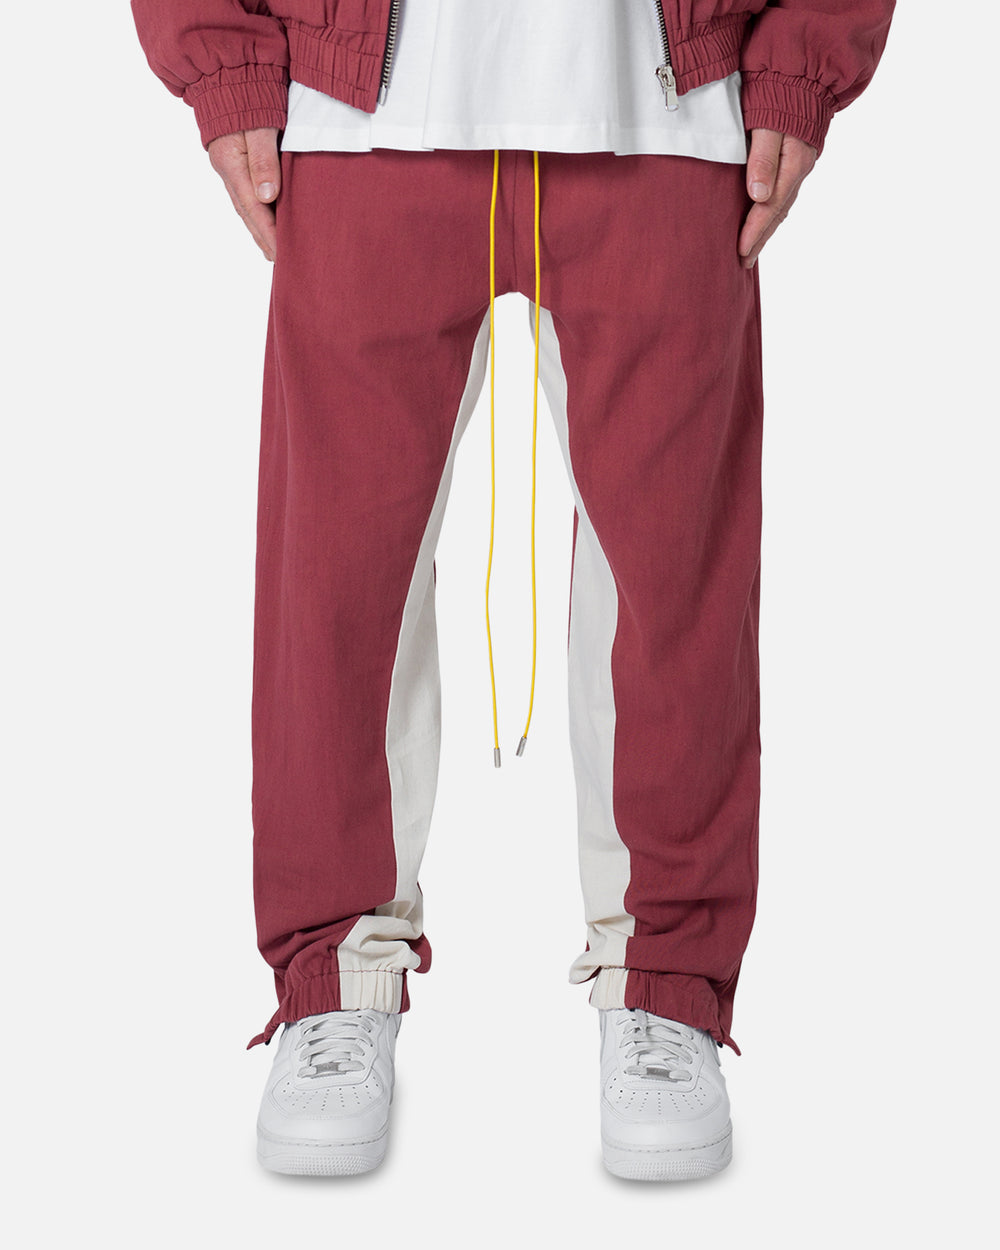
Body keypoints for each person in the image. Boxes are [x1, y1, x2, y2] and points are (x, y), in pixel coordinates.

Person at [130, 0, 895, 1182]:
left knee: (674, 582)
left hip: (666, 103)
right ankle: (335, 975)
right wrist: (221, 56)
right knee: (336, 579)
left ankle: (666, 980)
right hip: (363, 107)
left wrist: (802, 55)